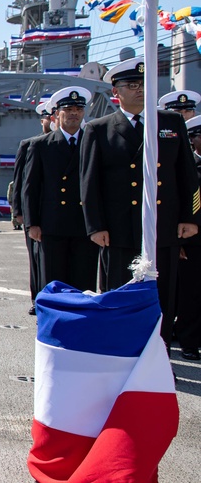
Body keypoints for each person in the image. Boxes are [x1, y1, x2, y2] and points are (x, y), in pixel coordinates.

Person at [80, 56, 199, 345]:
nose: (140, 90)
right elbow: (89, 183)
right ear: (115, 92)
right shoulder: (99, 129)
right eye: (132, 85)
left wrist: (190, 218)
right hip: (119, 231)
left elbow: (187, 176)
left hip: (164, 227)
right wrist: (95, 226)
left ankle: (159, 357)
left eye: (144, 84)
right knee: (120, 296)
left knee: (163, 298)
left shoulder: (170, 123)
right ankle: (120, 355)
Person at [22, 87, 97, 292]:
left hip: (85, 225)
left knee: (84, 282)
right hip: (53, 225)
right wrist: (32, 224)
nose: (74, 113)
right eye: (69, 109)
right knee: (54, 282)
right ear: (57, 114)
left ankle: (80, 323)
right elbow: (31, 187)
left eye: (78, 109)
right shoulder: (41, 145)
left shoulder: (93, 142)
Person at [14, 101, 55, 314]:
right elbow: (21, 181)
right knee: (36, 259)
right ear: (43, 120)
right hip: (35, 213)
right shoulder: (30, 144)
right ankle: (37, 298)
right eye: (49, 117)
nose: (52, 120)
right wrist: (19, 211)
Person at [178, 116, 201, 360]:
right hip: (194, 241)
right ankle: (189, 343)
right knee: (191, 294)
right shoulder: (188, 166)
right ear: (193, 139)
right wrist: (180, 242)